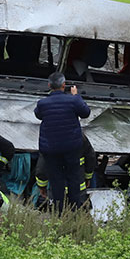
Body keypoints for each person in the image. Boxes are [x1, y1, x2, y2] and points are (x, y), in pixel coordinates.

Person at [34, 72, 92, 212]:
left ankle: (59, 213)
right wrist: (76, 96)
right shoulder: (73, 101)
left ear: (49, 85)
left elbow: (38, 115)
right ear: (64, 85)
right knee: (74, 179)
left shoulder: (42, 103)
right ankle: (74, 211)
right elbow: (86, 113)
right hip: (71, 148)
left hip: (51, 149)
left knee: (56, 181)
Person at [33, 136, 96, 209]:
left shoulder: (49, 138)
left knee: (56, 212)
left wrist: (42, 186)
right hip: (78, 190)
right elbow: (90, 158)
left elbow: (42, 167)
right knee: (78, 211)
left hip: (56, 191)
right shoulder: (79, 136)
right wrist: (88, 177)